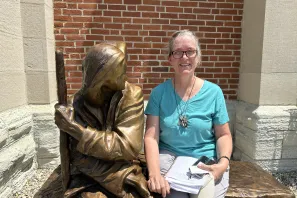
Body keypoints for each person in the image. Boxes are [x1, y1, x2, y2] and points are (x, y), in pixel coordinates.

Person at [54, 42, 151, 198]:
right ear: (102, 78)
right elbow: (78, 158)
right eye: (120, 74)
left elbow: (128, 147)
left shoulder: (131, 95)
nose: (125, 79)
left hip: (122, 169)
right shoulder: (76, 104)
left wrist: (76, 130)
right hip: (90, 175)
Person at [144, 30, 232, 198]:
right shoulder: (158, 93)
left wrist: (223, 163)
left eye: (190, 51)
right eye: (177, 52)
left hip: (205, 159)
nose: (184, 57)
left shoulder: (214, 93)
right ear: (170, 58)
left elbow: (223, 135)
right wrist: (154, 173)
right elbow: (151, 137)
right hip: (169, 158)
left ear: (198, 57)